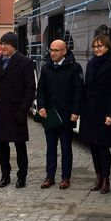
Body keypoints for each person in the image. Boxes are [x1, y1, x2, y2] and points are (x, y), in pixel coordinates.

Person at [0, 31, 35, 188]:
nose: (3, 46)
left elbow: (30, 88)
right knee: (2, 146)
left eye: (6, 43)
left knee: (19, 145)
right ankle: (5, 175)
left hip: (16, 110)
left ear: (14, 45)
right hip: (1, 109)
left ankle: (22, 176)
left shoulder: (25, 62)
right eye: (1, 43)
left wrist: (23, 110)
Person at [79, 34, 111, 194]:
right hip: (90, 109)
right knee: (92, 145)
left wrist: (110, 114)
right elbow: (86, 87)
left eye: (100, 46)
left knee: (103, 146)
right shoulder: (90, 64)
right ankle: (98, 176)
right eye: (95, 46)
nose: (97, 49)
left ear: (107, 47)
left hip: (105, 110)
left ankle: (106, 179)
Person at [36, 39, 83, 190]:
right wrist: (41, 106)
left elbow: (78, 92)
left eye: (56, 50)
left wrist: (76, 111)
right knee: (50, 147)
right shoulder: (46, 68)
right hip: (50, 114)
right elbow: (40, 90)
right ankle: (50, 177)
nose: (52, 53)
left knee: (66, 148)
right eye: (51, 50)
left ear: (64, 51)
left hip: (67, 114)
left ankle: (65, 177)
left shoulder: (74, 67)